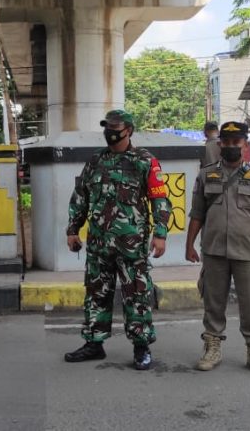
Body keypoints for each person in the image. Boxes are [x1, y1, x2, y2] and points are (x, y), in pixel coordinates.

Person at [65, 109, 171, 371]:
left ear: (129, 130)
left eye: (116, 128)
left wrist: (160, 233)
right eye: (107, 128)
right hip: (99, 243)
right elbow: (81, 196)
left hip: (131, 243)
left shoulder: (144, 161)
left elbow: (160, 199)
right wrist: (72, 229)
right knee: (96, 293)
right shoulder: (95, 161)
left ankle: (141, 346)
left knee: (136, 294)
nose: (110, 133)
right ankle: (94, 343)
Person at [185, 121, 250, 374]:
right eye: (226, 142)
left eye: (235, 142)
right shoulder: (206, 175)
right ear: (220, 144)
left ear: (245, 145)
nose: (230, 147)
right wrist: (190, 245)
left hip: (247, 252)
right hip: (214, 250)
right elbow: (197, 214)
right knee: (213, 303)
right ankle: (212, 348)